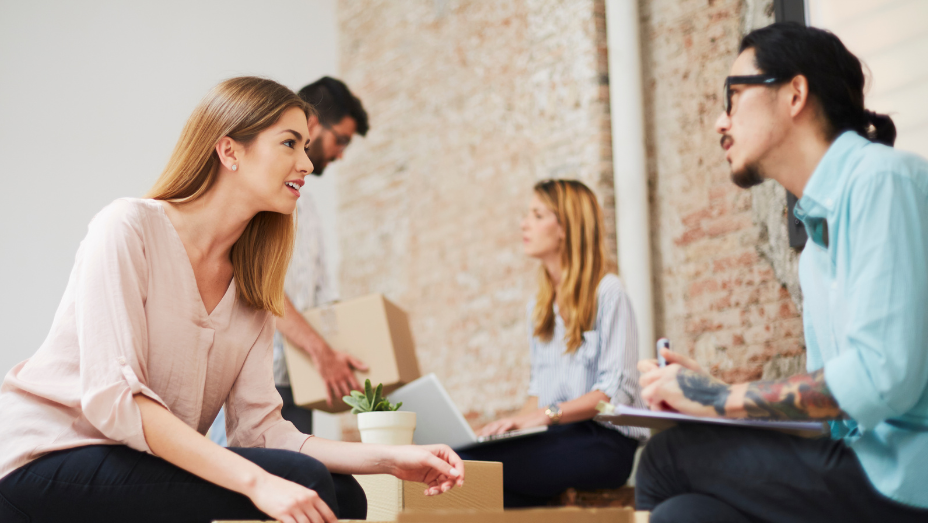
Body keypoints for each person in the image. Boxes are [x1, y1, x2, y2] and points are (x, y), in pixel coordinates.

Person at [0, 77, 463, 523]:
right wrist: (257, 483)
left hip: (129, 461)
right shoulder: (127, 228)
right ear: (229, 150)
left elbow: (262, 429)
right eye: (289, 143)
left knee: (343, 492)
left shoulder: (252, 285)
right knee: (304, 482)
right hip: (44, 457)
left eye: (305, 146)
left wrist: (388, 459)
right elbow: (116, 401)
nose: (305, 163)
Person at [635, 23, 928, 523]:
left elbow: (883, 380)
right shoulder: (816, 247)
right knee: (686, 514)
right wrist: (709, 390)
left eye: (733, 96)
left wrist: (723, 401)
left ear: (794, 93)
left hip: (905, 476)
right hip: (859, 467)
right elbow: (830, 415)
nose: (718, 123)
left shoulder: (883, 180)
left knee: (665, 460)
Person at [457, 179, 648, 507]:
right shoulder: (540, 307)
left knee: (468, 466)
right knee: (472, 470)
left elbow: (611, 395)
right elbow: (538, 395)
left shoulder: (608, 292)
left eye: (537, 215)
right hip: (558, 437)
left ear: (565, 228)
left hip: (604, 442)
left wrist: (546, 415)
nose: (524, 223)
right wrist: (509, 426)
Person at [209, 76, 370, 445]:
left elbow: (319, 295)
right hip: (248, 380)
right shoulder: (257, 199)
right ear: (313, 125)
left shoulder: (303, 204)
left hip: (296, 380)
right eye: (340, 140)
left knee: (296, 482)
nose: (340, 153)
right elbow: (261, 284)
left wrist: (335, 353)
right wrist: (321, 351)